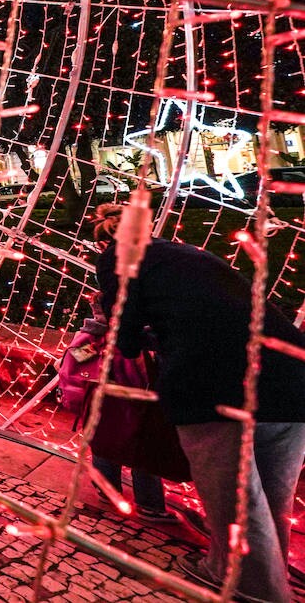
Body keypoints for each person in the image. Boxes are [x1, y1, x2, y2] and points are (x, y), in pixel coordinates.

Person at [94, 203, 305, 602]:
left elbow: (124, 326)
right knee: (273, 496)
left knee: (232, 494)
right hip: (291, 370)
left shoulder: (116, 256)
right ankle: (265, 575)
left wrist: (135, 339)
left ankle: (250, 587)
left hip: (213, 379)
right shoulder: (189, 253)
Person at [56, 295, 175, 523]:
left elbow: (74, 362)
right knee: (143, 451)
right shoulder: (135, 338)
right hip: (132, 403)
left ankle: (107, 490)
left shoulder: (92, 337)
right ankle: (149, 505)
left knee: (104, 445)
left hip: (100, 402)